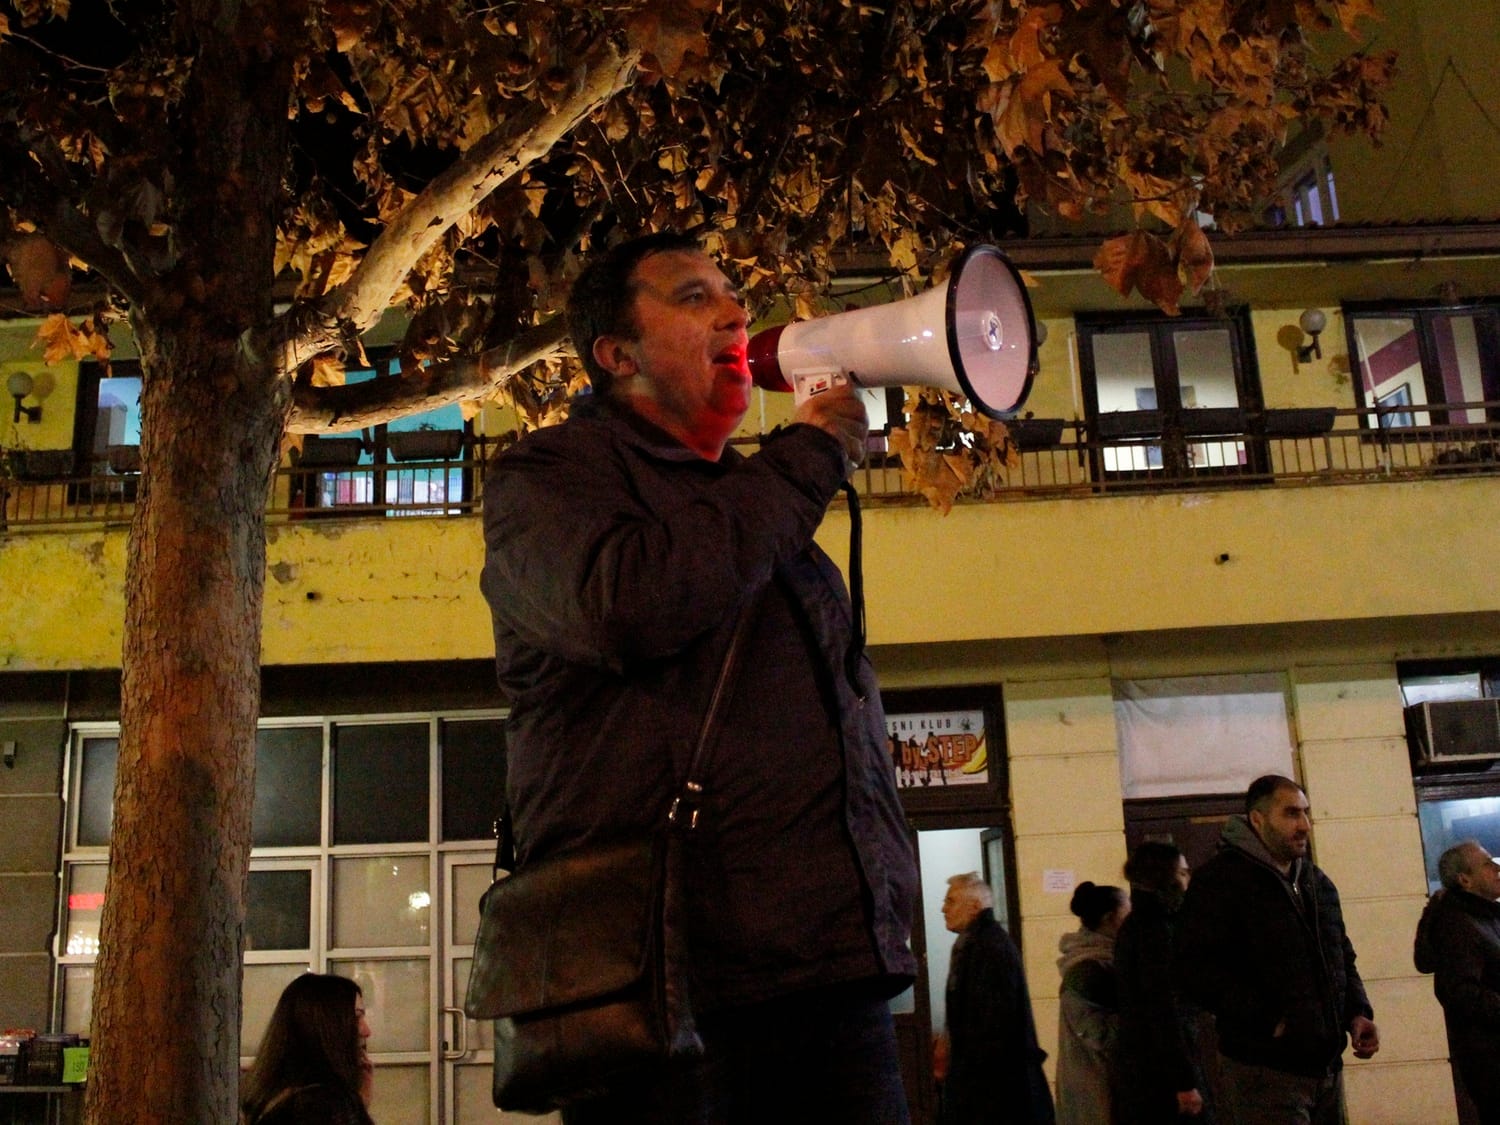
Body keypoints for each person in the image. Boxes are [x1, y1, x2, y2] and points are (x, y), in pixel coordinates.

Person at [479, 231, 918, 1123]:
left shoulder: (754, 502)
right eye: (693, 297)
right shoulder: (549, 479)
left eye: (734, 294)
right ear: (617, 354)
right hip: (674, 992)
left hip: (829, 976)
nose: (735, 312)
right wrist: (807, 457)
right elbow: (625, 602)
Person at [1176, 775, 1377, 1125]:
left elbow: (1340, 955)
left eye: (1305, 813)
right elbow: (1194, 970)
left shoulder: (1315, 881)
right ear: (1257, 819)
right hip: (1264, 1072)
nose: (1303, 825)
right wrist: (1268, 1020)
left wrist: (1357, 1012)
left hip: (1326, 1070)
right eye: (1291, 814)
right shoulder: (1220, 882)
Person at [936, 872, 1054, 1124]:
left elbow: (990, 1027)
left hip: (995, 1093)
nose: (943, 908)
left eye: (951, 901)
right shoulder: (976, 944)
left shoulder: (987, 948)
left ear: (975, 905)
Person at [1115, 840, 1209, 1123]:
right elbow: (1162, 1007)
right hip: (1161, 1072)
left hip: (1148, 1067)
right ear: (1164, 877)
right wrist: (1184, 1080)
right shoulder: (1156, 930)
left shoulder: (1140, 925)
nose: (1187, 878)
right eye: (1182, 872)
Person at [1414, 839, 1500, 1124]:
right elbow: (1459, 992)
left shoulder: (1485, 916)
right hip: (1490, 1060)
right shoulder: (1459, 924)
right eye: (1487, 864)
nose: (1497, 869)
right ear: (1465, 879)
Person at [240, 972, 374, 1125]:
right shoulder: (323, 1106)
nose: (366, 1031)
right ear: (325, 1027)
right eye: (356, 1017)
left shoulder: (268, 1098)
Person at [1055, 881, 1130, 1125]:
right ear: (1110, 918)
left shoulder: (1101, 961)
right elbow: (1098, 1033)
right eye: (1127, 910)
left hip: (1099, 1085)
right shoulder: (1089, 970)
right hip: (1096, 1089)